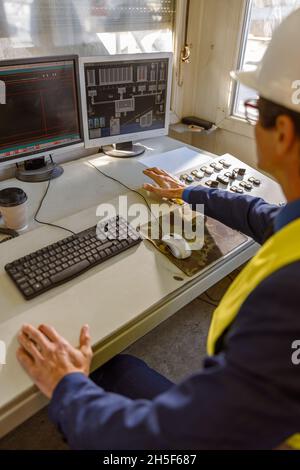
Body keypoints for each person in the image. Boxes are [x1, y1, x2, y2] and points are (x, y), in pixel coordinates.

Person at [17, 9, 300, 449]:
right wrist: (192, 193)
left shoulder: (288, 299)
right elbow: (269, 217)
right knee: (120, 368)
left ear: (281, 132)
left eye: (254, 107)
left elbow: (174, 438)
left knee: (90, 381)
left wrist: (66, 383)